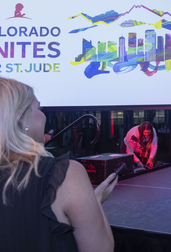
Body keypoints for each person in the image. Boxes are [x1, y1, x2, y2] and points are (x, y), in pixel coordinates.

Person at [0, 77, 117, 252]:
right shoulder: (64, 175)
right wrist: (96, 203)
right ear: (20, 117)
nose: (43, 114)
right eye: (38, 108)